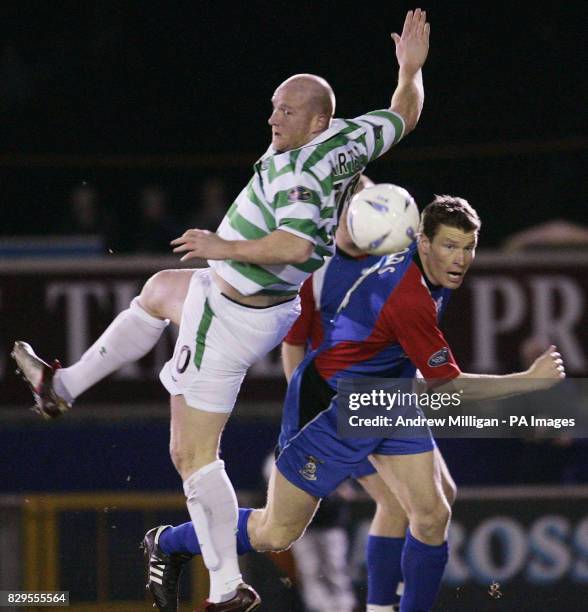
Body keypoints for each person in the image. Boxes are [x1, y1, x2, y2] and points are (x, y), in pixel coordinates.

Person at [11, 9, 431, 612]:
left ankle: (229, 587)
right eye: (274, 107)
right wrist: (409, 69)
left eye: (286, 111)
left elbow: (296, 243)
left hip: (231, 312)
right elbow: (405, 113)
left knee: (192, 455)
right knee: (159, 290)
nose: (272, 118)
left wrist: (220, 245)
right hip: (248, 298)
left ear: (315, 121)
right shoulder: (343, 138)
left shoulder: (301, 171)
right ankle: (62, 386)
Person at [141, 195, 565, 612]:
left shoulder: (426, 268)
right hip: (330, 409)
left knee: (432, 513)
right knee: (276, 533)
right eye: (450, 245)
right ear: (423, 243)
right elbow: (447, 386)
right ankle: (168, 542)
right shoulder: (407, 296)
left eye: (468, 247)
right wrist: (529, 382)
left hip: (385, 397)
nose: (460, 258)